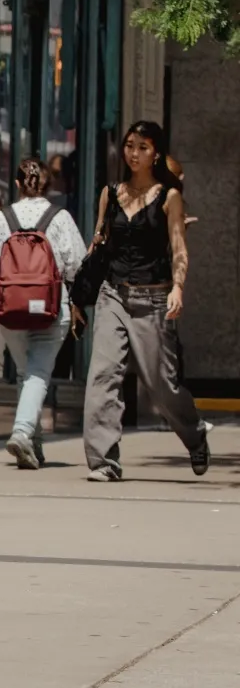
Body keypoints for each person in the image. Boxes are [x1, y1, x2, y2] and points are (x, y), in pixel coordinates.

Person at [81, 121, 211, 481]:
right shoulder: (111, 192)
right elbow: (98, 243)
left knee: (161, 387)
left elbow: (179, 249)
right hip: (113, 296)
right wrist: (81, 290)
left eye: (143, 147)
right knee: (102, 378)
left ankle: (194, 434)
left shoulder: (168, 197)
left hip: (154, 298)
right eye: (130, 145)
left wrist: (178, 288)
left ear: (156, 153)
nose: (134, 153)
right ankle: (104, 461)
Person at [0, 156, 84, 468]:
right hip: (52, 309)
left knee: (28, 373)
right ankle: (23, 433)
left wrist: (1, 300)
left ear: (16, 185)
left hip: (11, 313)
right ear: (49, 186)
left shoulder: (3, 219)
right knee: (38, 373)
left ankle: (33, 446)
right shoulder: (60, 217)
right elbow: (77, 263)